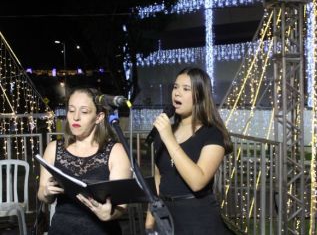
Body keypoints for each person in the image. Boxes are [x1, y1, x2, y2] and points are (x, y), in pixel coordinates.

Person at [145, 67, 233, 234]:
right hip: (166, 216)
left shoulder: (212, 135)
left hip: (197, 218)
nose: (177, 93)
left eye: (186, 89)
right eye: (175, 87)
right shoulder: (165, 132)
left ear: (200, 96)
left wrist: (169, 139)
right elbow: (158, 177)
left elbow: (197, 182)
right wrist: (150, 220)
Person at [37, 87, 132, 235]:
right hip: (60, 229)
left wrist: (110, 214)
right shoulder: (53, 148)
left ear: (99, 117)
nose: (75, 117)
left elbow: (121, 206)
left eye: (84, 111)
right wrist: (47, 192)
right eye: (71, 110)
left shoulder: (116, 151)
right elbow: (42, 194)